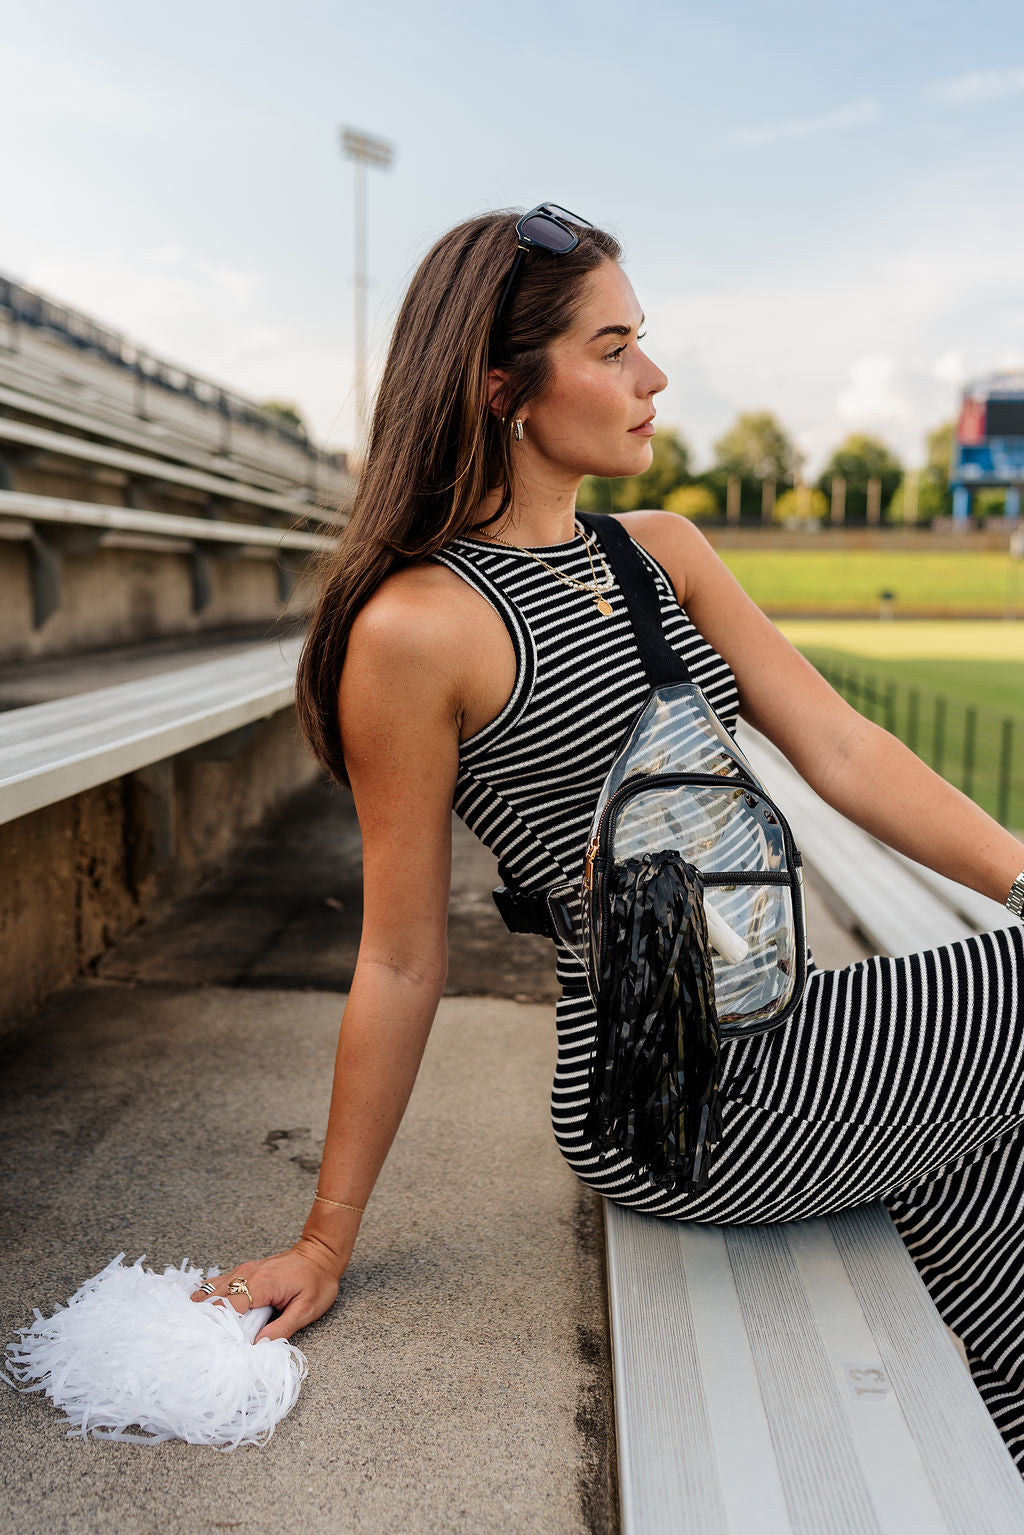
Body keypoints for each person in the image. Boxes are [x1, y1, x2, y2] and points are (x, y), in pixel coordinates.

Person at [190, 204, 1024, 1468]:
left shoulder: (664, 552)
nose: (654, 377)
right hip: (677, 1100)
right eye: (614, 345)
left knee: (982, 1175)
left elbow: (842, 750)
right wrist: (324, 1235)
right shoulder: (420, 628)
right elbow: (404, 957)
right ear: (501, 387)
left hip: (787, 1033)